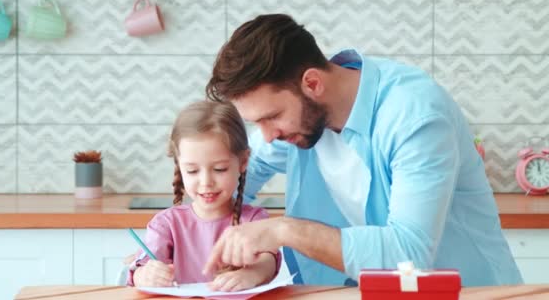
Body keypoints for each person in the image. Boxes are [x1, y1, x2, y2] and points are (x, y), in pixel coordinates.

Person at [202, 14, 522, 287]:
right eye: (257, 123)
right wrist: (194, 225)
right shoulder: (301, 121)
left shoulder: (414, 116)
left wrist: (282, 229)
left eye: (271, 117)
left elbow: (408, 253)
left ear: (312, 83)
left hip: (470, 291)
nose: (268, 137)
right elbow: (236, 172)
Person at [127, 101, 281, 291]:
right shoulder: (166, 224)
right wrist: (145, 275)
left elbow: (268, 260)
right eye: (192, 171)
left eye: (219, 169)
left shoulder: (254, 220)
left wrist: (252, 274)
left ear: (243, 161)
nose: (206, 182)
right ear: (179, 166)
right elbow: (141, 269)